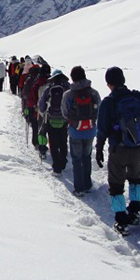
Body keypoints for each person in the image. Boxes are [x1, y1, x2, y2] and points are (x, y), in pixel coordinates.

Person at [96, 67, 140, 236]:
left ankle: (121, 220)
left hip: (118, 149)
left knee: (116, 185)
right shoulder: (139, 96)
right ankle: (135, 212)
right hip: (138, 146)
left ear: (109, 84)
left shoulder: (109, 102)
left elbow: (102, 129)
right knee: (135, 179)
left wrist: (99, 148)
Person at [61, 66, 101, 196]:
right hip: (90, 130)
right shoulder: (94, 93)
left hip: (75, 131)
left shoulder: (68, 94)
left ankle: (79, 188)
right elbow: (99, 111)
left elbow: (64, 112)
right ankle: (87, 184)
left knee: (76, 159)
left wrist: (72, 122)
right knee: (87, 156)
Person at [39, 69, 70, 174]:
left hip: (51, 119)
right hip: (64, 119)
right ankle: (63, 162)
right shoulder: (67, 88)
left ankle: (56, 167)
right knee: (63, 142)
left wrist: (43, 112)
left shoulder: (49, 88)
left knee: (53, 143)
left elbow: (42, 104)